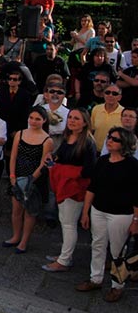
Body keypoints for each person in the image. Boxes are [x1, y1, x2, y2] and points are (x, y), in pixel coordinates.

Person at [76, 127, 138, 303]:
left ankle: (117, 286)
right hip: (99, 210)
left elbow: (136, 195)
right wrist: (86, 211)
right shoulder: (102, 161)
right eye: (109, 137)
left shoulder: (132, 165)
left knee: (117, 251)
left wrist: (136, 220)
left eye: (115, 139)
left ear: (124, 144)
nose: (110, 140)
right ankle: (95, 278)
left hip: (121, 214)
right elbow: (92, 187)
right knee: (97, 244)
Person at [42, 108, 97, 273]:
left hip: (74, 188)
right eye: (71, 117)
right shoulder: (68, 137)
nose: (72, 121)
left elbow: (88, 170)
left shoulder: (87, 142)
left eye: (77, 119)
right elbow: (59, 156)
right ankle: (65, 255)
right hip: (63, 184)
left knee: (68, 224)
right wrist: (52, 160)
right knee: (64, 221)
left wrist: (64, 171)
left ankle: (64, 260)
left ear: (85, 122)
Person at [4, 107, 54, 253]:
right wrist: (12, 176)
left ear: (44, 120)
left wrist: (30, 179)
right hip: (18, 175)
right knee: (16, 210)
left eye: (37, 119)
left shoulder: (47, 140)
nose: (33, 121)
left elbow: (43, 163)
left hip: (34, 179)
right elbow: (13, 156)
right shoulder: (20, 134)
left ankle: (24, 242)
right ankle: (15, 236)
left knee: (30, 211)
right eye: (31, 118)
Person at [90, 83, 124, 152]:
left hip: (114, 152)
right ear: (103, 94)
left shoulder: (124, 113)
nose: (110, 95)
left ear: (120, 97)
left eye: (114, 93)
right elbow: (91, 130)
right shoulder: (96, 109)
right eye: (107, 92)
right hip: (95, 150)